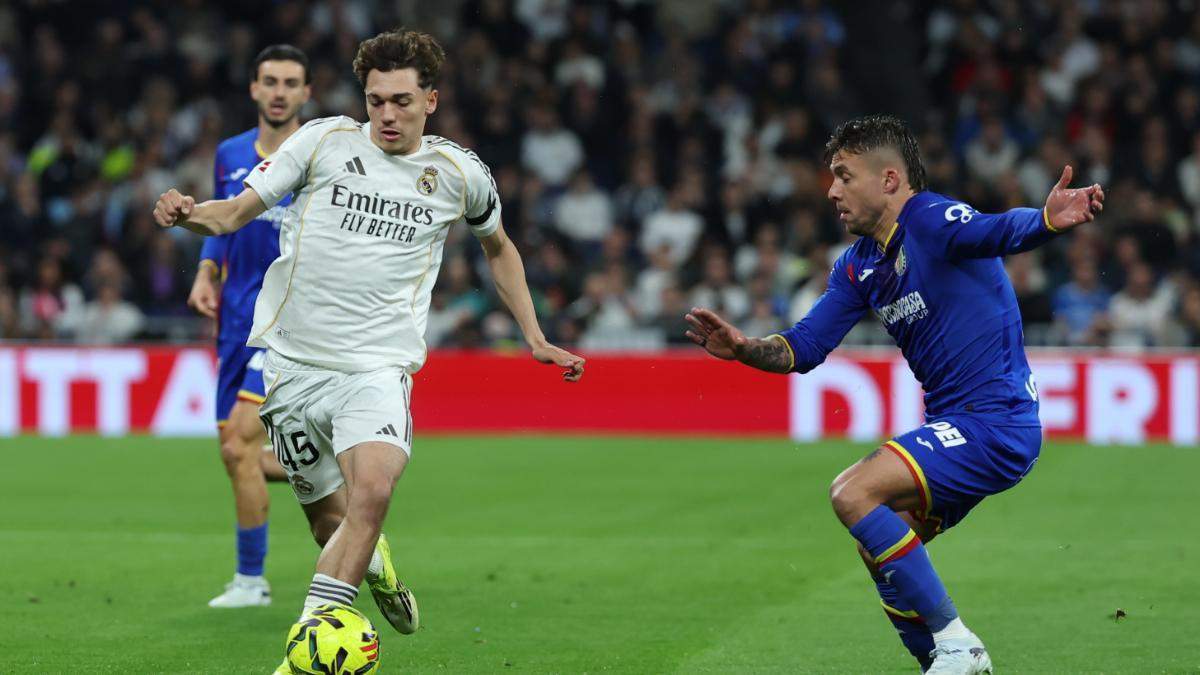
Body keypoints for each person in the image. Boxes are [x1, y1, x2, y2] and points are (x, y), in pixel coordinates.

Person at [153, 29, 585, 668]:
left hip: (377, 368)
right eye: (376, 100)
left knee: (374, 492)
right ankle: (374, 567)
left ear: (431, 101)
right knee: (334, 521)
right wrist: (185, 211)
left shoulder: (461, 174)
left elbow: (501, 250)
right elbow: (231, 215)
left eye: (403, 101)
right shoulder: (322, 142)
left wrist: (536, 336)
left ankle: (309, 649)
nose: (387, 114)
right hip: (294, 367)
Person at [685, 115, 1103, 674]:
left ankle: (958, 643)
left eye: (843, 174)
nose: (831, 190)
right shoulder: (859, 267)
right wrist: (745, 347)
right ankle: (936, 661)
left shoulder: (929, 218)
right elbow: (803, 348)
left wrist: (1047, 220)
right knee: (879, 545)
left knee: (852, 492)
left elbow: (994, 231)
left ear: (888, 180)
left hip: (995, 423)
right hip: (965, 426)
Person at [188, 44, 312, 609]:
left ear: (306, 93)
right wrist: (206, 270)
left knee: (240, 445)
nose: (280, 91)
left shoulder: (320, 155)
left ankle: (250, 581)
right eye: (271, 80)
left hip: (286, 322)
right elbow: (224, 219)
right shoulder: (231, 152)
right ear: (254, 89)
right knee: (238, 454)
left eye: (291, 82)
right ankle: (344, 481)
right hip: (234, 322)